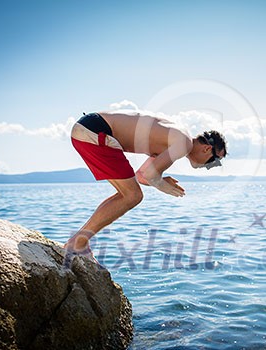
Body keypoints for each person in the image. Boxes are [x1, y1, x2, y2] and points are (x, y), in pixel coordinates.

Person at [64, 111, 227, 262]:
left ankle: (79, 240)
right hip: (96, 131)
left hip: (89, 127)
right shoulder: (184, 144)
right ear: (207, 148)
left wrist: (160, 179)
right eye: (214, 161)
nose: (209, 166)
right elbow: (150, 176)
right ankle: (78, 242)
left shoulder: (178, 138)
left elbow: (142, 176)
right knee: (132, 196)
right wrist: (163, 185)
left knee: (128, 194)